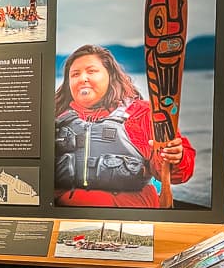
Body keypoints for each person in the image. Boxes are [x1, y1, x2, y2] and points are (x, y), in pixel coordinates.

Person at [54, 45, 195, 208]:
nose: (82, 78)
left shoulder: (142, 113)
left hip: (129, 220)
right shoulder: (57, 118)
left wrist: (176, 158)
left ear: (110, 76)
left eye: (91, 71)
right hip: (70, 220)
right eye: (75, 74)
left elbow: (178, 175)